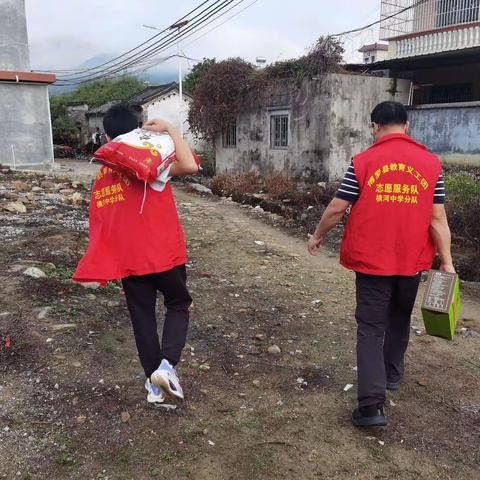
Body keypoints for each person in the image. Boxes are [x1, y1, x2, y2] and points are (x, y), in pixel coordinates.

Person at [307, 101, 454, 428]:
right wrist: (447, 261)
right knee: (400, 318)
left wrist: (317, 236)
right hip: (412, 262)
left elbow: (336, 208)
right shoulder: (431, 164)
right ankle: (390, 376)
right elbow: (438, 218)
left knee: (372, 327)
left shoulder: (363, 162)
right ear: (407, 125)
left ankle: (372, 406)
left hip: (373, 263)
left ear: (374, 127)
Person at [74, 103, 199, 404]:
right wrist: (169, 129)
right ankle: (167, 367)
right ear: (140, 129)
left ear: (107, 136)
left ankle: (153, 386)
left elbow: (102, 222)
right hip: (163, 252)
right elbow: (191, 165)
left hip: (129, 259)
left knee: (141, 316)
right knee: (179, 302)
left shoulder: (104, 173)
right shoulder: (150, 161)